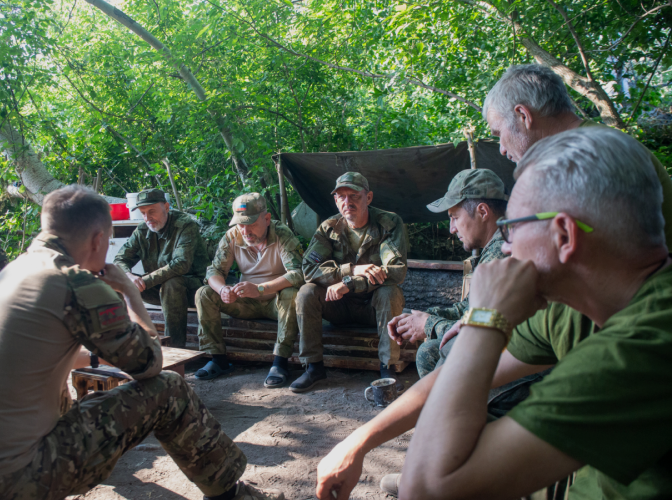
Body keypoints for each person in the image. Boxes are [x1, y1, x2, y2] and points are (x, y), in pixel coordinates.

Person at [0, 186, 284, 500]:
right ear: (99, 239)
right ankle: (227, 499)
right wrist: (129, 292)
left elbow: (47, 356)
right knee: (169, 389)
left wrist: (96, 358)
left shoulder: (14, 272)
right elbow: (150, 364)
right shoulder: (73, 282)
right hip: (2, 485)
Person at [404, 129, 672, 500]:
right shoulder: (610, 304)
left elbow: (423, 490)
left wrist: (485, 318)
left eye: (512, 228)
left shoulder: (644, 347)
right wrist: (361, 442)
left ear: (564, 235)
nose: (507, 246)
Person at [388, 168, 509, 378]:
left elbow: (484, 330)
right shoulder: (497, 245)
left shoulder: (502, 253)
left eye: (454, 217)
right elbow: (470, 308)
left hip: (514, 360)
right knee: (430, 351)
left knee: (441, 351)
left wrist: (428, 324)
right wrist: (418, 318)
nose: (452, 228)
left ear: (482, 212)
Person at [293, 172, 407, 393]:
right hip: (339, 306)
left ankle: (388, 369)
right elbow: (308, 269)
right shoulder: (329, 228)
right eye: (341, 197)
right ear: (335, 201)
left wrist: (350, 282)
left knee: (390, 292)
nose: (347, 202)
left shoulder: (388, 223)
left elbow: (395, 271)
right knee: (307, 292)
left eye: (354, 195)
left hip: (373, 307)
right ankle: (313, 367)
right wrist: (352, 269)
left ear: (369, 197)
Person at [194, 193, 303, 387]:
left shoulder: (281, 234)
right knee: (204, 293)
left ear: (267, 218)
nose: (245, 230)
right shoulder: (233, 236)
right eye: (240, 224)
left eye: (251, 223)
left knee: (292, 294)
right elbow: (214, 271)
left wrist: (261, 289)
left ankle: (280, 362)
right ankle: (218, 359)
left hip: (275, 302)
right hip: (245, 303)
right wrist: (223, 290)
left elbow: (297, 273)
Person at [114, 189, 210, 348]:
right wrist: (128, 276)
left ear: (166, 207)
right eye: (143, 212)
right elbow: (120, 259)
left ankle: (175, 350)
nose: (147, 217)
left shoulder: (185, 225)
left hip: (194, 288)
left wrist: (143, 281)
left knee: (171, 284)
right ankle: (125, 346)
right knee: (117, 284)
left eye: (152, 211)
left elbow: (181, 264)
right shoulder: (142, 230)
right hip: (158, 287)